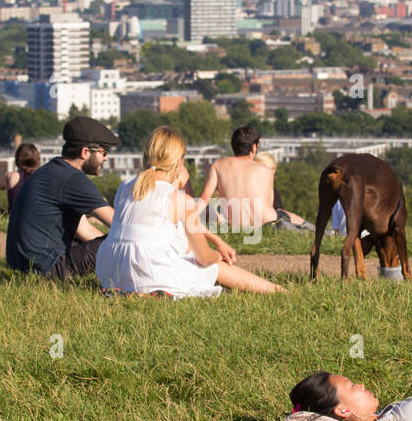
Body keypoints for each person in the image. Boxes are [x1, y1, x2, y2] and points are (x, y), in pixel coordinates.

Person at [96, 127, 283, 297]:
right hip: (151, 276)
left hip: (112, 271)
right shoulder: (178, 199)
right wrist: (218, 255)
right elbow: (205, 257)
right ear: (179, 162)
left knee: (183, 246)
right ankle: (278, 292)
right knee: (213, 266)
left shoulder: (125, 187)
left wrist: (217, 240)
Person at [5, 116, 120, 279]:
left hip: (24, 265)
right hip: (47, 268)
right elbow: (121, 225)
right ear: (85, 152)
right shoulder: (72, 179)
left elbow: (84, 230)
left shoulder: (53, 171)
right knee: (124, 242)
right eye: (104, 152)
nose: (106, 158)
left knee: (117, 243)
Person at [197, 126, 281, 231]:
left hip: (235, 225)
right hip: (266, 224)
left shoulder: (218, 165)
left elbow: (204, 198)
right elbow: (270, 203)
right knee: (298, 221)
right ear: (254, 147)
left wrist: (189, 218)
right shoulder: (265, 170)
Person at [252, 152, 313, 231]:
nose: (272, 173)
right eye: (270, 170)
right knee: (285, 221)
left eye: (273, 170)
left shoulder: (274, 191)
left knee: (287, 215)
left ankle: (317, 231)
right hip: (265, 223)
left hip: (274, 220)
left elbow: (279, 211)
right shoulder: (254, 189)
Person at [0, 142, 41, 213]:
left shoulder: (13, 176)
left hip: (15, 219)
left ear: (18, 159)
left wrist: (7, 176)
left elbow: (0, 187)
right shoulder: (41, 176)